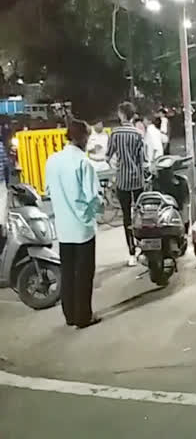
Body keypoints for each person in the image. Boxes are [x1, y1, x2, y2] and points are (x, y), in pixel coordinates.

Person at [46, 119, 103, 329]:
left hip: (63, 228)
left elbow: (49, 191)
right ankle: (83, 316)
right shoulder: (83, 163)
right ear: (84, 138)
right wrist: (100, 207)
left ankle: (69, 315)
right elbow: (93, 197)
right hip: (83, 228)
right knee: (84, 273)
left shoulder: (52, 160)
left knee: (68, 272)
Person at [106, 101, 146, 266]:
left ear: (121, 115)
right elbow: (142, 160)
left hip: (122, 181)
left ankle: (131, 252)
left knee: (127, 217)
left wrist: (116, 167)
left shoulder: (115, 134)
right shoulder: (137, 134)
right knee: (140, 215)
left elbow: (108, 157)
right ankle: (143, 247)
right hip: (137, 180)